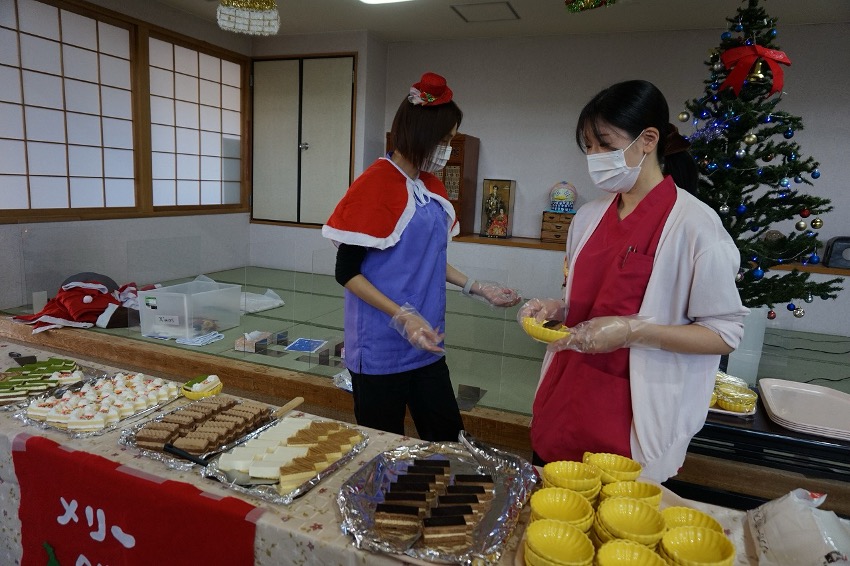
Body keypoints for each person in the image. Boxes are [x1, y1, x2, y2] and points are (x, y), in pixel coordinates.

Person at [518, 79, 749, 482]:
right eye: (588, 146)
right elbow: (584, 297)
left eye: (605, 145)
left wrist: (631, 331)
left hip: (631, 418)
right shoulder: (588, 217)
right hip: (565, 398)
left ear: (648, 140)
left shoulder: (696, 227)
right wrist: (558, 308)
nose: (594, 157)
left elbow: (723, 333)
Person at [322, 72, 520, 441]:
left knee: (447, 437)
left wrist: (477, 287)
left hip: (426, 341)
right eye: (443, 140)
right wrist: (401, 315)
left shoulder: (429, 187)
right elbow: (346, 272)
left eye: (451, 140)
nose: (446, 149)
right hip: (381, 347)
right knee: (383, 447)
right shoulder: (375, 184)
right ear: (420, 132)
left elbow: (425, 258)